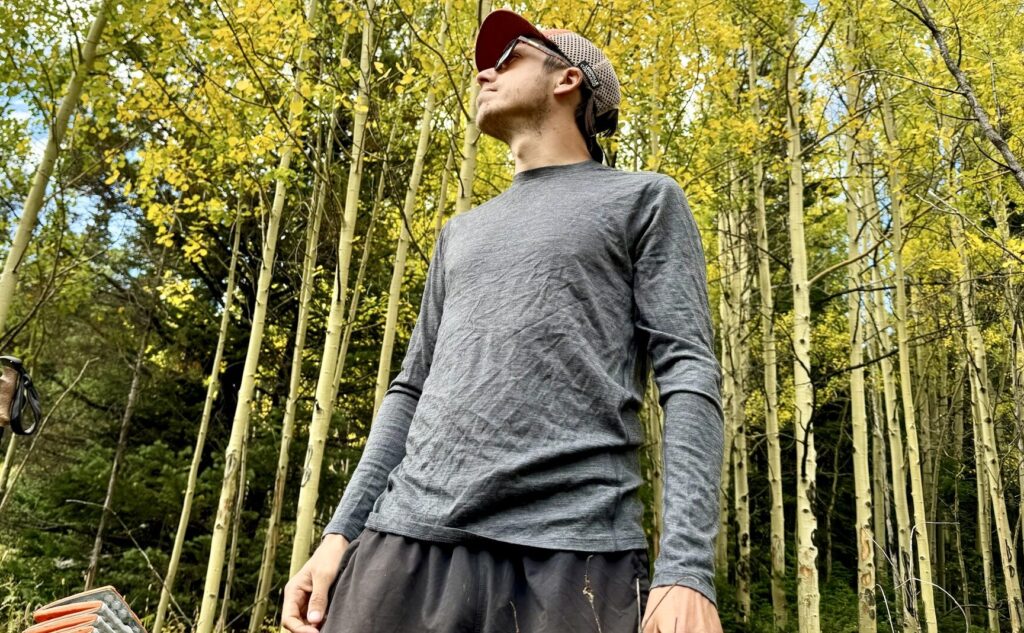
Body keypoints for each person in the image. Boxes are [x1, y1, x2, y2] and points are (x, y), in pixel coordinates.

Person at [282, 8, 724, 633]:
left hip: (573, 558)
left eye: (509, 56)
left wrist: (685, 568)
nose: (485, 73)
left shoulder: (645, 200)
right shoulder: (459, 233)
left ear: (567, 79)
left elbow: (687, 374)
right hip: (403, 543)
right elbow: (410, 390)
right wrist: (337, 538)